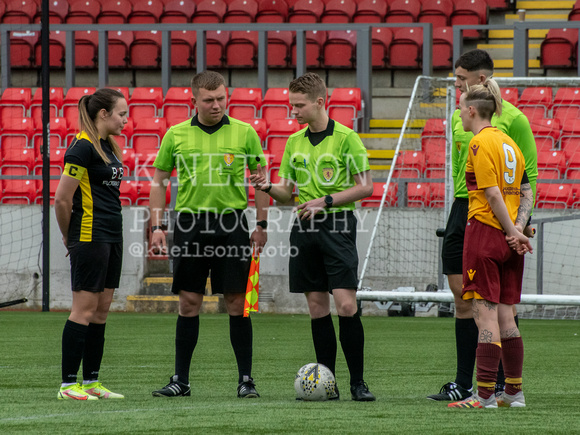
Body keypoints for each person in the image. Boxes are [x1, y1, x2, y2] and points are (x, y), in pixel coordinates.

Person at [250, 72, 376, 401]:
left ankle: (358, 383)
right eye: (291, 106)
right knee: (318, 308)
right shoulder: (294, 142)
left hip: (337, 225)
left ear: (320, 102)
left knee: (347, 305)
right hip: (303, 229)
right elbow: (287, 193)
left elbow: (366, 186)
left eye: (299, 106)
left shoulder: (347, 138)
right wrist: (266, 187)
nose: (293, 111)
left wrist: (326, 201)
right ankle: (327, 384)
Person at [150, 71, 269, 399]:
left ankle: (246, 380)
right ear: (195, 101)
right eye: (209, 100)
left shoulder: (245, 133)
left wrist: (261, 225)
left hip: (232, 224)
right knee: (189, 302)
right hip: (189, 225)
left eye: (221, 98)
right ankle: (181, 380)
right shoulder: (176, 135)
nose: (216, 105)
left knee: (236, 303)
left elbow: (260, 180)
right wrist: (157, 227)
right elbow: (158, 183)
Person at [428, 49, 538, 402]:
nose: (458, 112)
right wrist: (519, 230)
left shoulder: (482, 139)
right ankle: (513, 392)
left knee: (484, 314)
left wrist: (510, 229)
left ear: (473, 109)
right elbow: (525, 188)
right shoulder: (509, 145)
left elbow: (491, 193)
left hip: (486, 229)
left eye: (461, 107)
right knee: (505, 314)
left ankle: (484, 394)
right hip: (505, 233)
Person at [55, 88, 128, 400]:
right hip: (89, 235)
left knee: (101, 312)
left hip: (112, 235)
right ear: (103, 114)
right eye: (121, 114)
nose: (126, 120)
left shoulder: (107, 147)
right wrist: (69, 236)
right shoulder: (82, 148)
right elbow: (61, 199)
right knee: (83, 310)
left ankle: (91, 382)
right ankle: (68, 385)